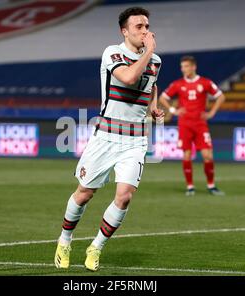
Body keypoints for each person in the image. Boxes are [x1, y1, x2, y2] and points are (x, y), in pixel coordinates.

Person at [54, 7, 163, 271]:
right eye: (139, 27)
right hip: (106, 136)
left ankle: (96, 247)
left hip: (136, 140)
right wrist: (148, 51)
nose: (145, 31)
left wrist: (153, 107)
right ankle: (64, 240)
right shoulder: (112, 53)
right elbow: (129, 77)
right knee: (84, 194)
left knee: (124, 196)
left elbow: (152, 84)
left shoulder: (156, 61)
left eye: (147, 26)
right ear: (124, 31)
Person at [159, 56, 225, 196]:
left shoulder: (205, 82)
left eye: (186, 66)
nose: (184, 69)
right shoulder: (178, 84)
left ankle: (211, 185)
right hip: (185, 124)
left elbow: (220, 96)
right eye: (182, 67)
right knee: (187, 155)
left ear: (193, 67)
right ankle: (190, 187)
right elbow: (162, 97)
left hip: (201, 124)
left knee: (208, 155)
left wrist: (212, 112)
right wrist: (173, 110)